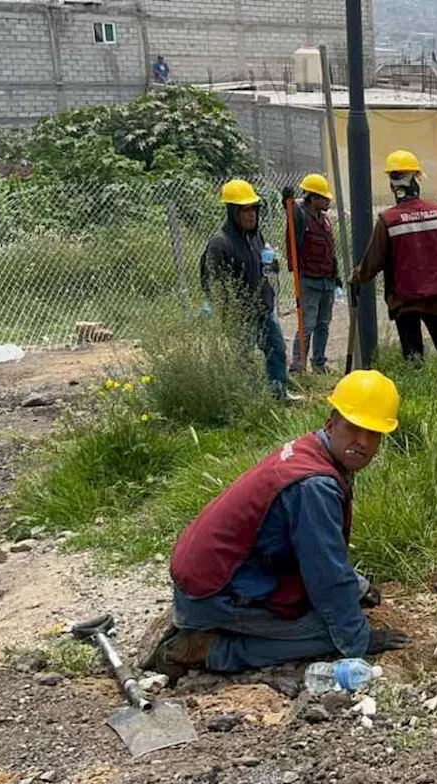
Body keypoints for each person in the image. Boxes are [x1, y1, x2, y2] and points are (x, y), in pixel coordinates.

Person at [140, 371, 411, 680]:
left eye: (373, 433)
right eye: (353, 428)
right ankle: (205, 648)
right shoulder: (316, 485)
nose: (362, 442)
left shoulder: (310, 451)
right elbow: (327, 576)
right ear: (331, 423)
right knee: (327, 633)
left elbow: (314, 548)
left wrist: (357, 586)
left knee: (343, 609)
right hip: (213, 593)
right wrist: (358, 640)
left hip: (218, 576)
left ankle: (211, 625)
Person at [352, 150, 437, 363]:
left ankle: (416, 390)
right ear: (417, 179)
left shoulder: (388, 220)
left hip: (405, 301)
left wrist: (356, 277)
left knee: (414, 359)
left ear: (393, 185)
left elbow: (373, 262)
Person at [200, 179, 294, 400]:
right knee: (244, 359)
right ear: (233, 212)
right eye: (245, 210)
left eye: (254, 209)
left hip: (264, 308)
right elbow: (211, 281)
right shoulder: (220, 243)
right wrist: (223, 307)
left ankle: (278, 395)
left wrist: (272, 265)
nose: (251, 214)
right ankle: (249, 402)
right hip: (240, 315)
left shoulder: (256, 237)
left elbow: (265, 267)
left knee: (277, 351)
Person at [289, 174, 339, 373]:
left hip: (327, 280)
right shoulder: (301, 216)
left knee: (323, 324)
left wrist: (336, 276)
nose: (328, 201)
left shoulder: (325, 220)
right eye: (324, 198)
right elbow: (291, 211)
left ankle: (319, 363)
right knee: (307, 324)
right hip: (309, 280)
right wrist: (289, 201)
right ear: (313, 198)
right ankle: (298, 365)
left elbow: (330, 249)